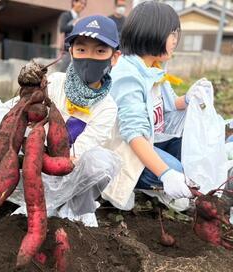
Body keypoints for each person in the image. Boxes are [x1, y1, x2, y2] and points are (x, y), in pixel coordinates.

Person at [11, 15, 122, 227]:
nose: (88, 57)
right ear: (71, 51)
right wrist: (29, 90)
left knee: (100, 164)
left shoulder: (107, 107)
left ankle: (78, 209)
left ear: (114, 57)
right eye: (81, 49)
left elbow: (79, 154)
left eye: (100, 51)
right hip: (37, 170)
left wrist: (58, 164)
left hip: (72, 171)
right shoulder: (52, 83)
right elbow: (23, 117)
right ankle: (38, 202)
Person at [103, 2, 202, 210]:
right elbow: (133, 133)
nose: (175, 40)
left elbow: (168, 104)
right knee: (176, 169)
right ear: (153, 32)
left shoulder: (152, 67)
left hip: (151, 139)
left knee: (194, 144)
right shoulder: (127, 73)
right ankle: (128, 184)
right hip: (126, 149)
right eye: (172, 34)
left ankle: (174, 179)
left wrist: (189, 98)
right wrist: (166, 173)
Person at [57, 0, 87, 72]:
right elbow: (62, 28)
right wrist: (74, 25)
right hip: (67, 50)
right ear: (74, 2)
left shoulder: (79, 18)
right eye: (81, 3)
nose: (83, 6)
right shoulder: (66, 15)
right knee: (63, 72)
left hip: (77, 49)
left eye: (84, 4)